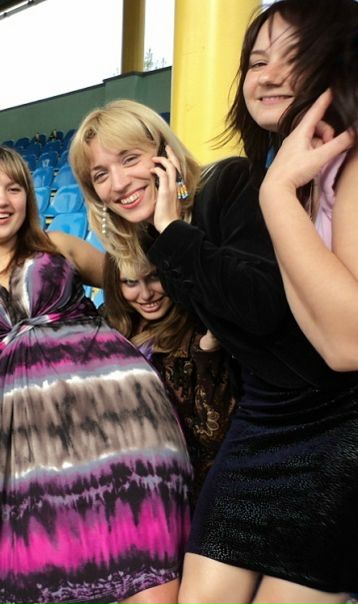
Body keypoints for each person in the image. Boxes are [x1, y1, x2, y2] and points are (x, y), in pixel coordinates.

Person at [69, 95, 358, 603]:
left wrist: (173, 230)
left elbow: (263, 305)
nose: (117, 183)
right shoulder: (156, 236)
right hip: (264, 416)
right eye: (100, 175)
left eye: (129, 159)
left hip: (332, 413)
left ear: (163, 152)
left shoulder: (229, 183)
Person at [0, 145, 192, 604]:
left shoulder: (58, 246)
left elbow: (135, 280)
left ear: (28, 197)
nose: (0, 200)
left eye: (14, 188)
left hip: (126, 424)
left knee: (146, 570)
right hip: (27, 445)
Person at [248, 3, 357, 371]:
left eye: (296, 57)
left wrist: (275, 193)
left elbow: (350, 345)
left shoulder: (353, 164)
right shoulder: (307, 174)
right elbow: (322, 333)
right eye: (257, 63)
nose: (267, 77)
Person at [101, 254, 237, 505]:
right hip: (115, 481)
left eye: (154, 277)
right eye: (130, 282)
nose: (145, 295)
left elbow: (213, 435)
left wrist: (208, 354)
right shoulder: (107, 326)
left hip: (174, 489)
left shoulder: (197, 332)